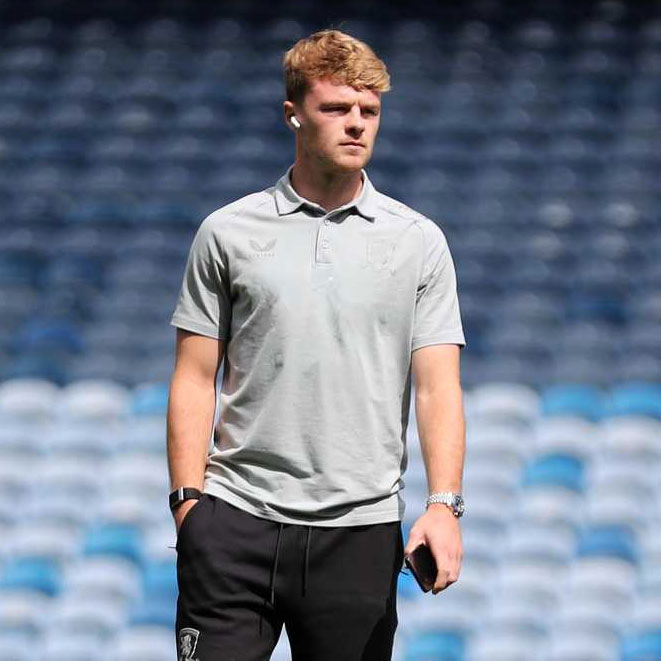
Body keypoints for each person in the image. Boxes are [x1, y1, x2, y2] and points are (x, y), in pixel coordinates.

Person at [167, 28, 467, 661]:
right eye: (336, 108)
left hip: (359, 532)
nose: (356, 124)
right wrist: (189, 505)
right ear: (293, 115)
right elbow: (194, 376)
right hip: (235, 520)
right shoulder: (227, 232)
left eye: (369, 111)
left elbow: (439, 388)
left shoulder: (418, 240)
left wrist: (444, 505)